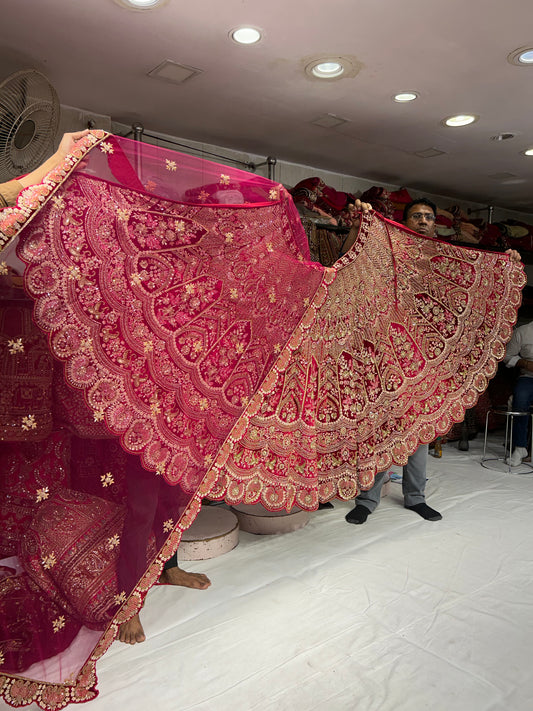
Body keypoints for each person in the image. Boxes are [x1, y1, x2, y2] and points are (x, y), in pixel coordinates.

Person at [345, 198, 521, 525]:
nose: (424, 221)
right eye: (417, 216)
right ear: (405, 221)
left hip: (427, 356)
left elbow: (475, 269)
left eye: (428, 216)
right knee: (383, 429)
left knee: (419, 431)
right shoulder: (390, 250)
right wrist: (360, 226)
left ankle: (415, 497)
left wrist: (503, 263)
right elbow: (360, 264)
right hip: (388, 353)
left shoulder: (443, 257)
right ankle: (367, 500)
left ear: (434, 223)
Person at [503, 320, 533, 466]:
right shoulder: (523, 331)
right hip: (528, 376)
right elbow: (507, 356)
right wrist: (525, 363)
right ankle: (520, 447)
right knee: (520, 398)